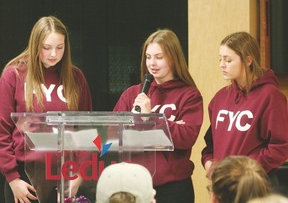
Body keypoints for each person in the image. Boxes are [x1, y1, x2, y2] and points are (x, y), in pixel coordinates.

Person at [0, 16, 92, 203]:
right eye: (47, 47)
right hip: (26, 177)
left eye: (60, 47)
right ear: (35, 45)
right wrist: (13, 178)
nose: (53, 54)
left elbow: (86, 128)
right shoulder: (15, 74)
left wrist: (82, 172)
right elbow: (2, 129)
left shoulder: (75, 77)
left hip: (68, 174)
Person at [113, 28, 203, 203]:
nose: (152, 63)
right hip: (134, 184)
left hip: (173, 188)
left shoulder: (189, 95)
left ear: (174, 58)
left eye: (159, 57)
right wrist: (167, 127)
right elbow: (113, 134)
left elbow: (187, 137)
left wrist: (150, 118)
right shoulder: (132, 94)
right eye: (148, 57)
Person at [201, 32, 288, 188]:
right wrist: (209, 163)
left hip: (255, 185)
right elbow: (210, 145)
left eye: (228, 60)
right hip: (224, 186)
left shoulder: (271, 96)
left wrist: (242, 170)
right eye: (220, 59)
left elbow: (279, 147)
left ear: (248, 60)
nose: (222, 64)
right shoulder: (220, 97)